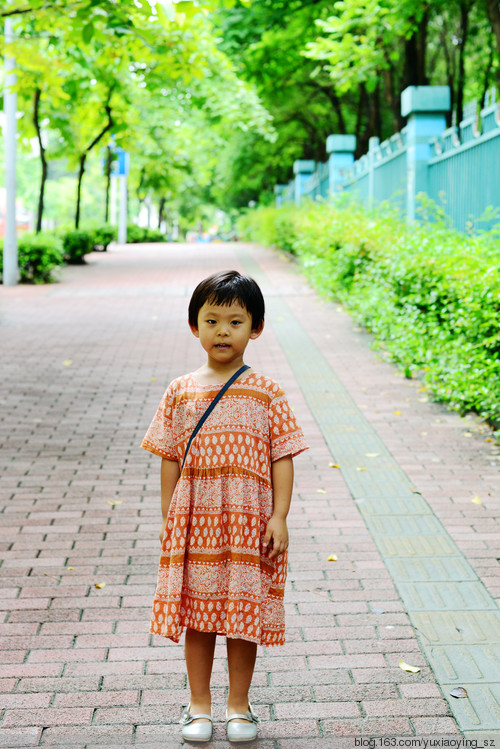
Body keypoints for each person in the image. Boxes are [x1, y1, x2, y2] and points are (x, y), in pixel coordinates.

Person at [141, 270, 308, 743]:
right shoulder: (180, 390)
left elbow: (283, 457)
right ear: (194, 325)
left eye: (235, 321)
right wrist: (168, 518)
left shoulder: (267, 391)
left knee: (241, 615)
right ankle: (198, 706)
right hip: (196, 522)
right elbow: (170, 458)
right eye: (211, 320)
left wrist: (279, 516)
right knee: (198, 613)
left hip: (247, 523)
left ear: (254, 328)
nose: (222, 330)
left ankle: (240, 705)